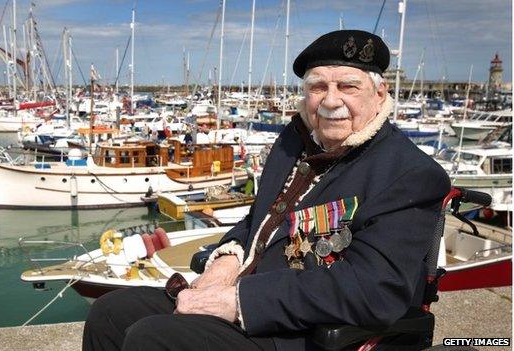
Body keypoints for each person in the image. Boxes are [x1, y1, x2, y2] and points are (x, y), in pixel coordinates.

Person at [83, 30, 450, 351]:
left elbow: (375, 289)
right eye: (318, 86)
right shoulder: (296, 140)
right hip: (248, 292)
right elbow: (260, 219)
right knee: (111, 312)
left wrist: (238, 300)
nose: (331, 100)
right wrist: (226, 261)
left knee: (155, 338)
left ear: (379, 92)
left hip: (304, 331)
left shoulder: (408, 173)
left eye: (348, 86)